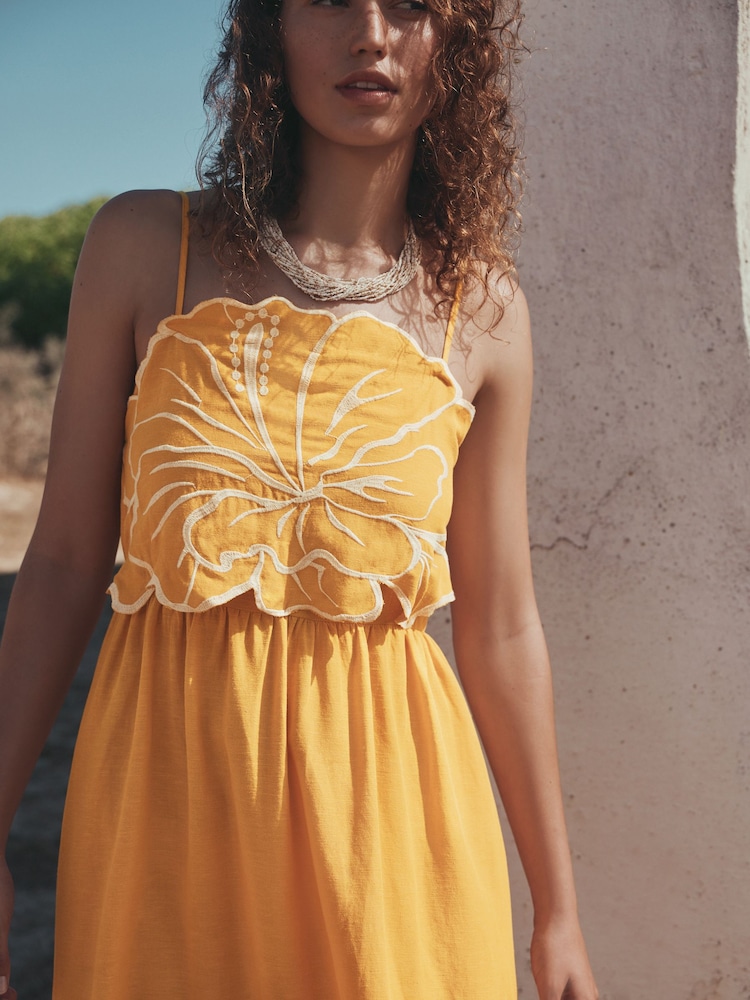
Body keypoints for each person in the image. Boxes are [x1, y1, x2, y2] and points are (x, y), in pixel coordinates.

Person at [0, 0, 599, 996]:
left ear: (457, 38)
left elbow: (501, 626)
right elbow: (63, 563)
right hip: (165, 817)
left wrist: (560, 913)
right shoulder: (146, 248)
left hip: (393, 839)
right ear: (268, 30)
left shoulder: (485, 313)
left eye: (408, 4)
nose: (370, 32)